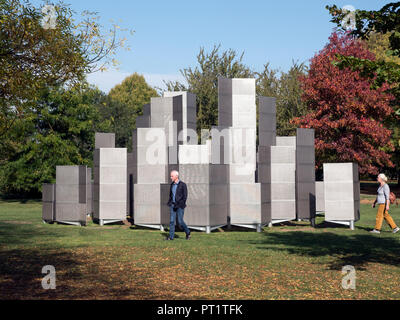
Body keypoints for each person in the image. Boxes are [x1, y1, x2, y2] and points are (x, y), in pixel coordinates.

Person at [165, 170, 191, 240]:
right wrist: (170, 202)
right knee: (172, 221)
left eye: (172, 176)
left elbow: (185, 197)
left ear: (176, 176)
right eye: (170, 176)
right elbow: (171, 195)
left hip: (180, 206)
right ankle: (171, 237)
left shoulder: (183, 185)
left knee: (180, 221)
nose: (170, 177)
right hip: (172, 205)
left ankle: (188, 232)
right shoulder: (172, 185)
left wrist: (180, 204)